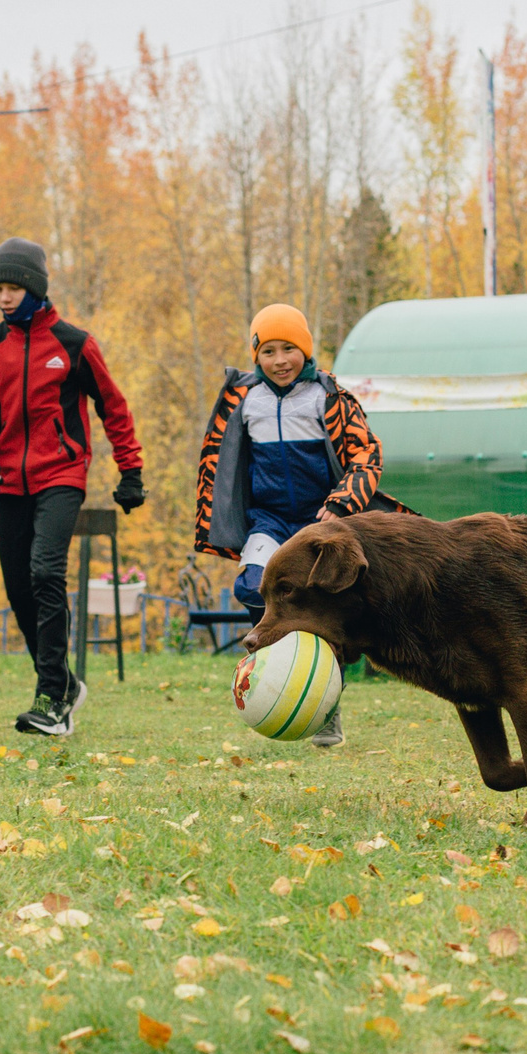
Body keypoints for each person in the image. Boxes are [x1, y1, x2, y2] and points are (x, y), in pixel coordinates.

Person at [192, 303, 404, 749]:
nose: (280, 360)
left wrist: (343, 503)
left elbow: (367, 452)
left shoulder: (329, 396)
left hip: (317, 522)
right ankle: (278, 679)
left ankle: (325, 699)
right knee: (252, 587)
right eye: (268, 350)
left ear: (304, 350)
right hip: (268, 520)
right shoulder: (246, 399)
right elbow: (219, 455)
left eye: (289, 348)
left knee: (322, 606)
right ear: (256, 356)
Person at [0, 237, 145, 737]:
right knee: (19, 587)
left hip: (61, 474)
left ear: (35, 287)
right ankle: (63, 681)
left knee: (45, 572)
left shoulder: (73, 343)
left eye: (13, 286)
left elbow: (114, 407)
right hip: (8, 481)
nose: (3, 296)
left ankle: (50, 700)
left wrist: (130, 472)